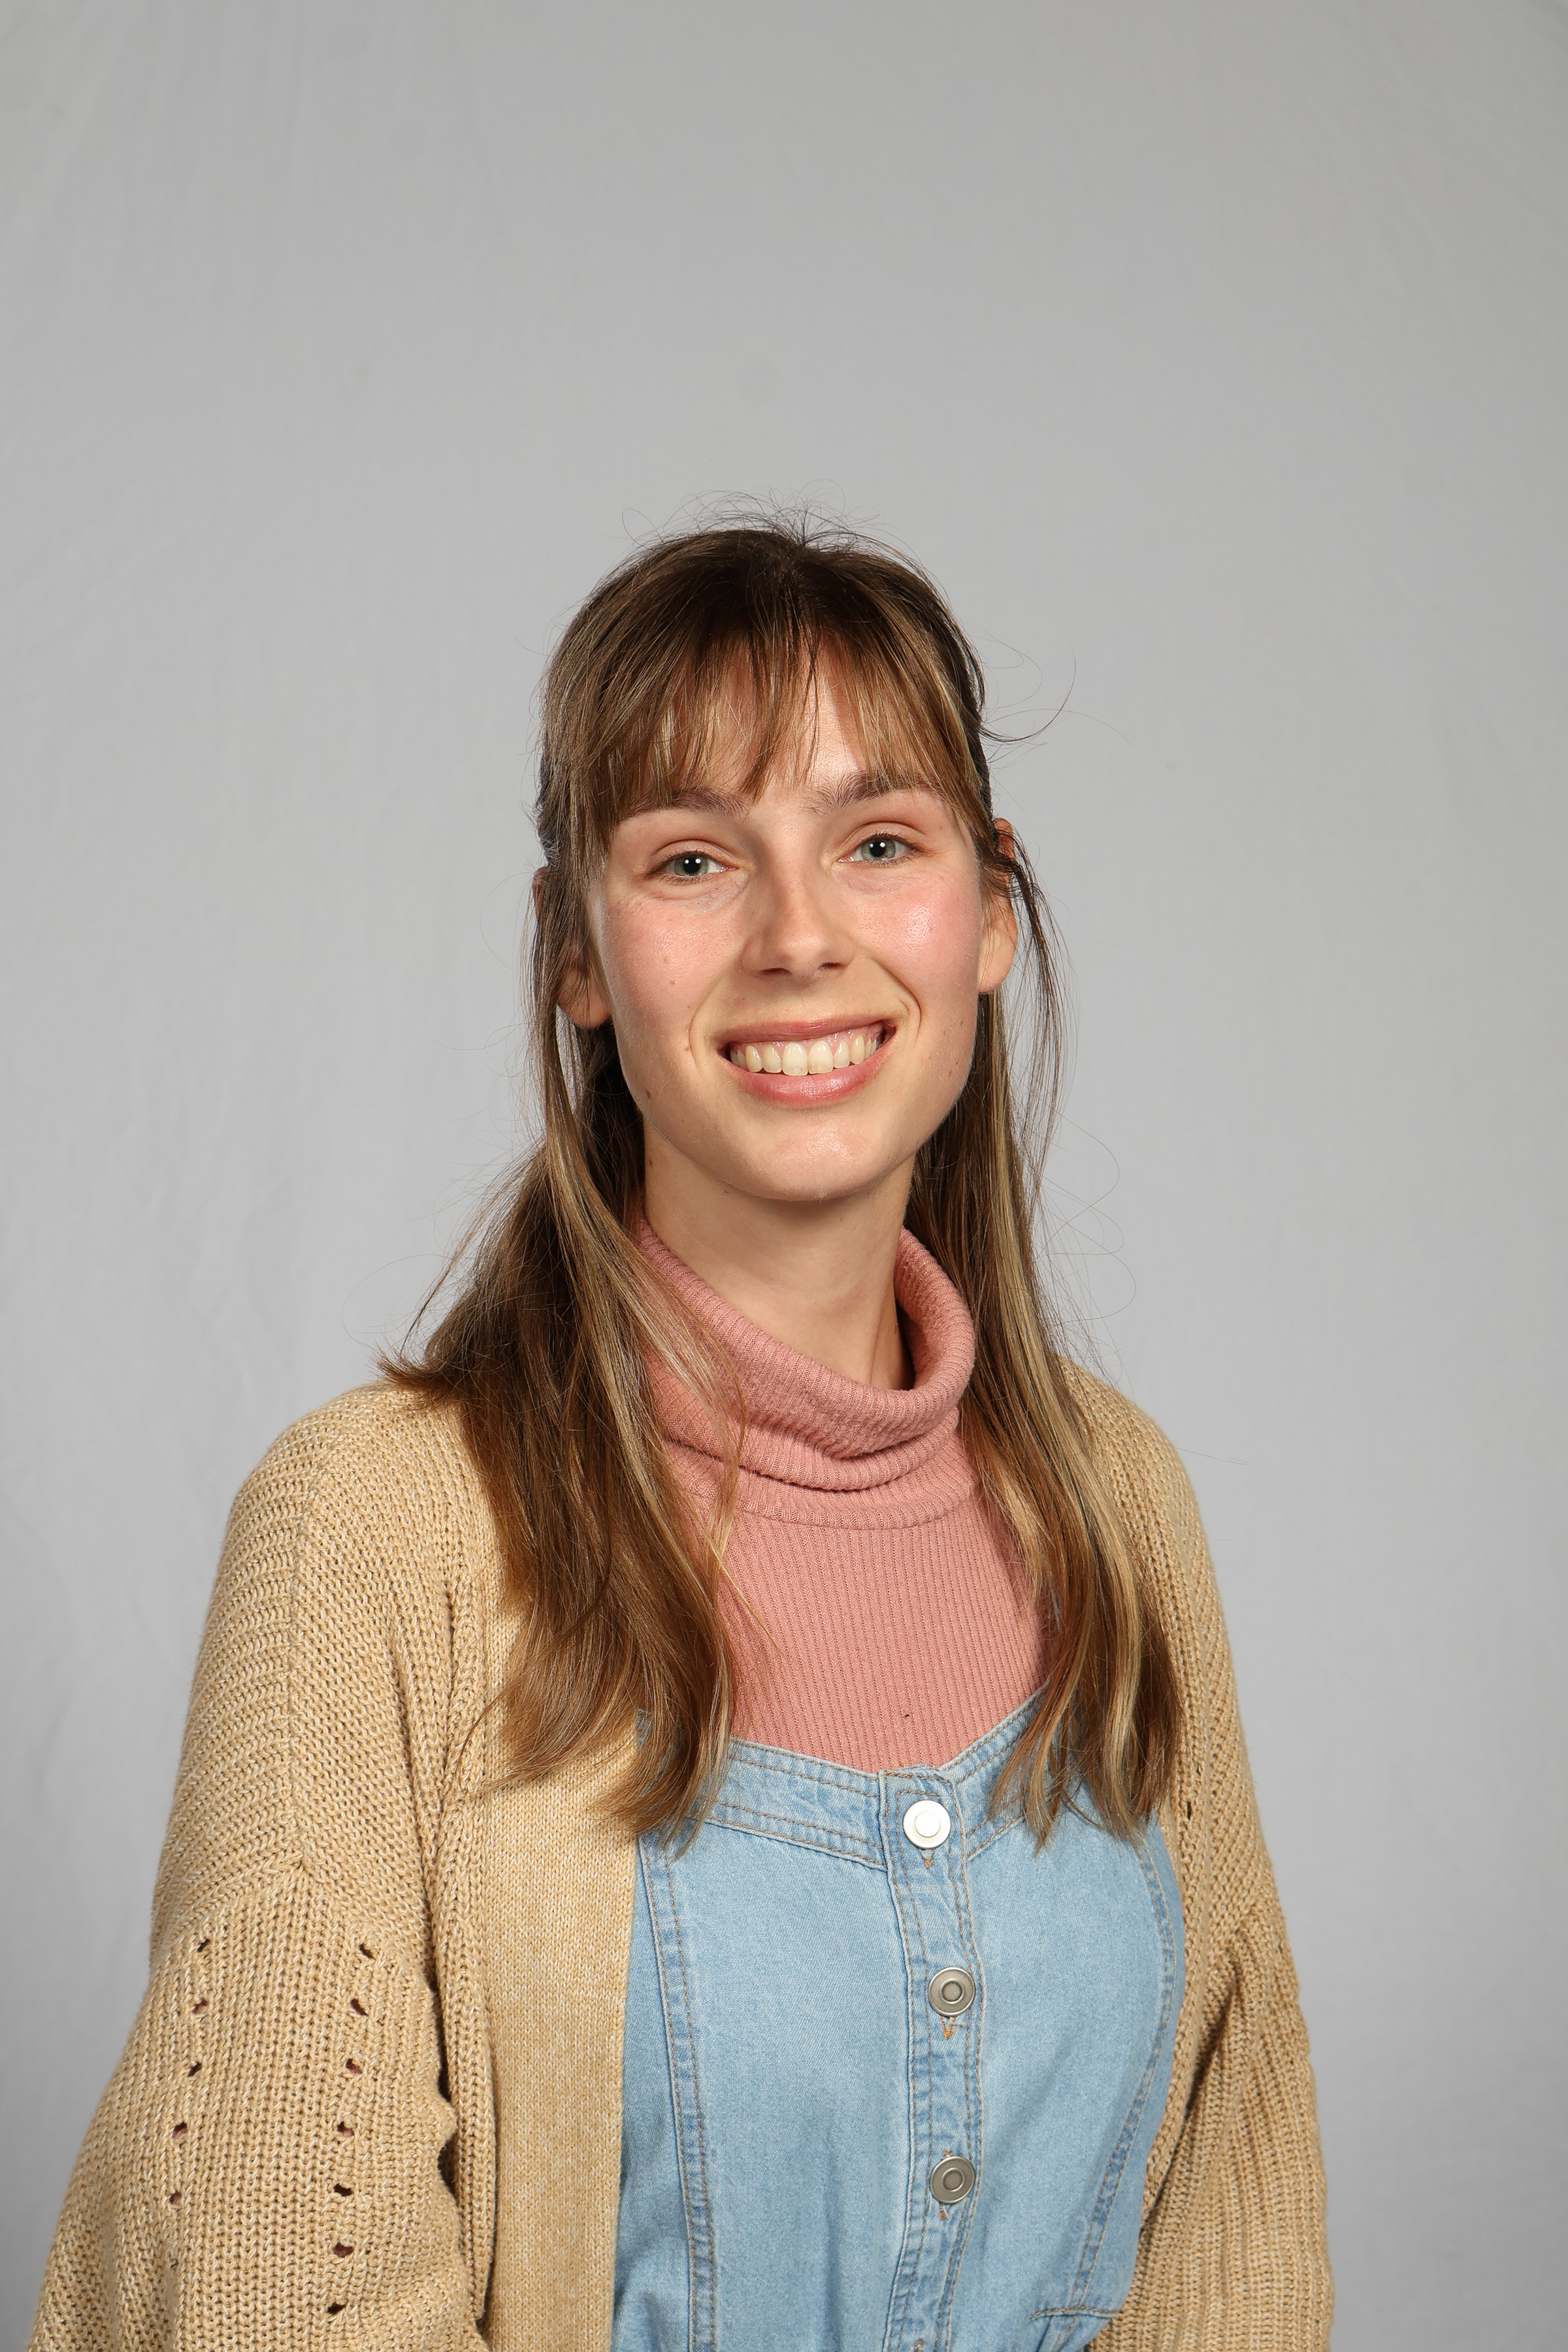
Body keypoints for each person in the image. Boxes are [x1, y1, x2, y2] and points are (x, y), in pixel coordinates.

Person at [31, 519, 1331, 2351]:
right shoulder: (369, 1533)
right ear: (576, 951)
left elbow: (1234, 2188)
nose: (799, 937)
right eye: (696, 860)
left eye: (879, 843)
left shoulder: (1120, 1503)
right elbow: (266, 2279)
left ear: (990, 915)